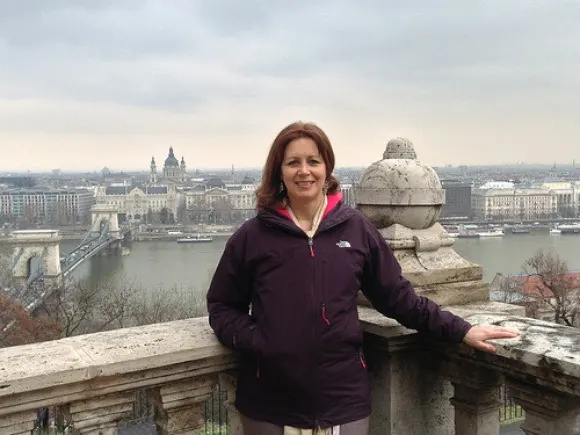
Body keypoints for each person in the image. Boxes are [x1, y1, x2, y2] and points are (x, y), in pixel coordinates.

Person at [207, 122, 518, 435]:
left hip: (343, 400)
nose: (304, 171)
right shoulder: (254, 236)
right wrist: (260, 342)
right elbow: (221, 305)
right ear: (279, 171)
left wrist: (460, 329)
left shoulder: (355, 229)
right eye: (293, 162)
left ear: (327, 168)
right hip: (269, 402)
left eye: (313, 161)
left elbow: (398, 298)